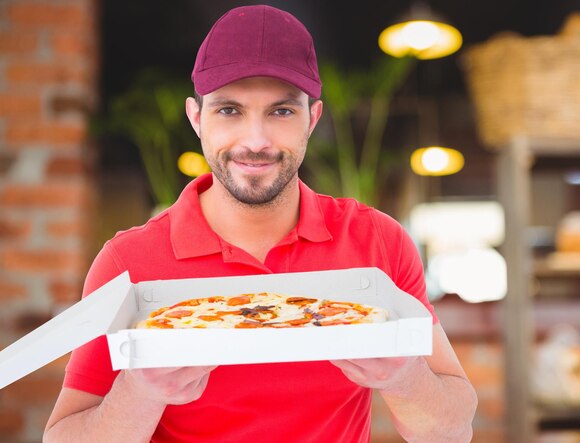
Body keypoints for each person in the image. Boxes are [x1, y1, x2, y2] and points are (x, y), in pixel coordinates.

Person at [43, 5, 477, 442]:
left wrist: (403, 378)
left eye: (281, 112)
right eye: (229, 111)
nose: (255, 141)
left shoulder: (378, 242)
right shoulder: (127, 261)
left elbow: (452, 430)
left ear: (314, 118)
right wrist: (139, 392)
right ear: (196, 118)